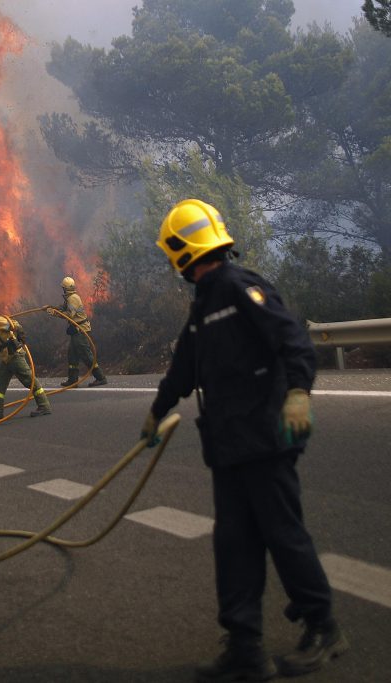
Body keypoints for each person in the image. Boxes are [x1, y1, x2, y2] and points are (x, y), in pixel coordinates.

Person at [140, 199, 346, 681]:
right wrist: (156, 410)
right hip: (230, 445)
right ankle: (245, 647)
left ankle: (325, 628)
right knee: (234, 543)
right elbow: (183, 369)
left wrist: (298, 391)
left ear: (180, 249)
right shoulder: (204, 304)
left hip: (265, 439)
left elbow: (292, 338)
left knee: (283, 535)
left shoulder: (239, 287)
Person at [0, 300, 52, 419]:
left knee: (29, 380)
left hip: (15, 356)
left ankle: (44, 406)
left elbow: (13, 324)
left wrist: (20, 334)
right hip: (7, 358)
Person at [46, 276, 107, 388]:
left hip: (81, 330)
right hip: (76, 330)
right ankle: (73, 380)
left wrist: (54, 313)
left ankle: (100, 377)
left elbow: (70, 315)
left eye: (63, 288)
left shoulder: (73, 298)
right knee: (72, 355)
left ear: (65, 288)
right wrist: (50, 308)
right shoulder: (69, 298)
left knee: (86, 355)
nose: (62, 289)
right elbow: (62, 308)